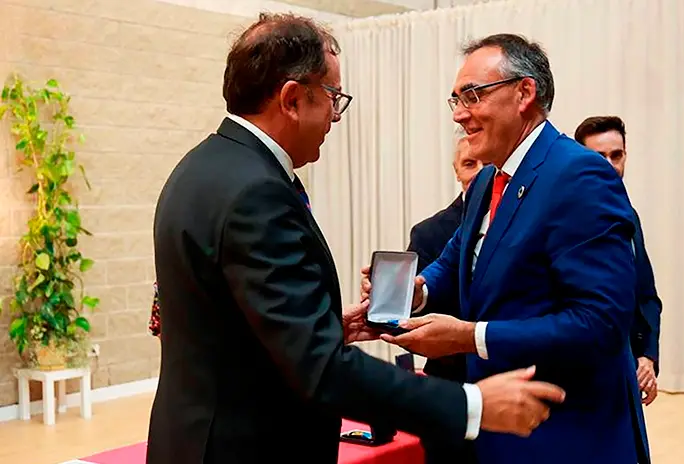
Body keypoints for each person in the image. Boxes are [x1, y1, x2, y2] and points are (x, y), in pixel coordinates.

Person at [146, 15, 565, 464]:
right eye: (332, 98)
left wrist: (319, 328)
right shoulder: (257, 193)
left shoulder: (204, 166)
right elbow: (322, 371)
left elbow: (234, 326)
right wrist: (473, 405)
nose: (335, 116)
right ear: (291, 99)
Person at [361, 34, 650, 463]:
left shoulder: (580, 174)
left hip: (567, 435)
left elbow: (601, 322)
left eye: (472, 96)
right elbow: (458, 257)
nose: (459, 114)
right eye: (455, 99)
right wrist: (416, 290)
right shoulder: (486, 180)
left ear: (524, 93)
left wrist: (468, 337)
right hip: (501, 431)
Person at [574, 115, 663, 405]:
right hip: (582, 377)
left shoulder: (629, 216)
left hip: (627, 372)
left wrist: (647, 357)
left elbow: (646, 296)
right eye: (598, 157)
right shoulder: (561, 220)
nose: (610, 165)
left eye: (617, 155)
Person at [406, 128, 482, 464]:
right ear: (456, 170)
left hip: (508, 378)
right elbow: (413, 308)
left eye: (485, 164)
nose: (478, 172)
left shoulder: (522, 219)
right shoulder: (430, 232)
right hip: (450, 388)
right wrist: (409, 297)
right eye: (469, 163)